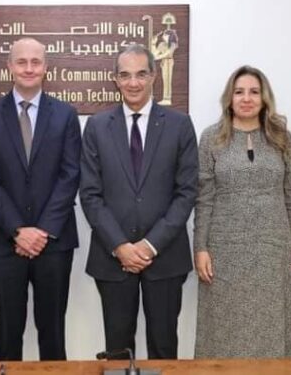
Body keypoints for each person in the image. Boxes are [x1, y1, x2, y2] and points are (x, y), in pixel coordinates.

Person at [80, 43, 198, 359]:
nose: (133, 83)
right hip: (112, 258)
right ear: (115, 79)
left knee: (164, 347)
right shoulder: (97, 126)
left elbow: (186, 192)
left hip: (165, 256)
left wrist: (150, 245)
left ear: (154, 76)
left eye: (141, 74)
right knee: (118, 350)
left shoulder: (179, 124)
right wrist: (120, 246)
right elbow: (90, 194)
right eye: (125, 75)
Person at [0, 38, 81, 361]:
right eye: (22, 62)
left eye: (36, 62)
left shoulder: (66, 115)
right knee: (8, 335)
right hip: (5, 243)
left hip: (54, 242)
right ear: (10, 67)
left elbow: (70, 176)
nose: (29, 68)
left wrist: (42, 231)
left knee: (53, 334)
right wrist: (18, 230)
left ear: (46, 67)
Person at [193, 66, 291, 358]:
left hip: (273, 247)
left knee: (272, 324)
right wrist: (200, 248)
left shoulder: (281, 137)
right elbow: (204, 198)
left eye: (254, 92)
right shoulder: (211, 137)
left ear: (264, 98)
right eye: (239, 92)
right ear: (229, 98)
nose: (246, 98)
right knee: (224, 328)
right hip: (224, 250)